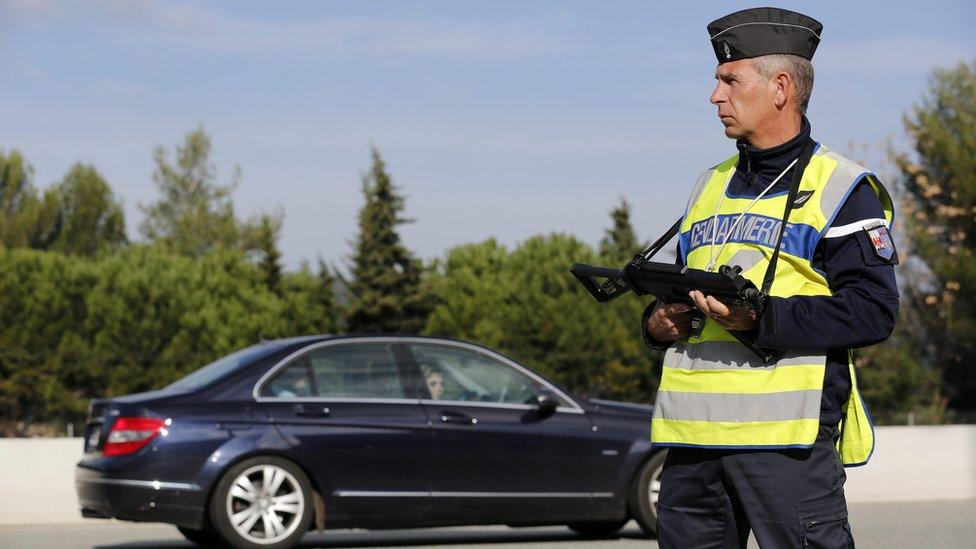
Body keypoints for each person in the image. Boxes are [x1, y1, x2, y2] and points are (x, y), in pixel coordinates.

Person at [642, 7, 899, 548]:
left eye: (729, 80)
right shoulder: (706, 186)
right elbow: (687, 292)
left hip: (788, 446)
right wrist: (660, 321)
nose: (715, 96)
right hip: (691, 442)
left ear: (780, 87)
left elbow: (874, 311)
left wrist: (760, 318)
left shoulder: (841, 187)